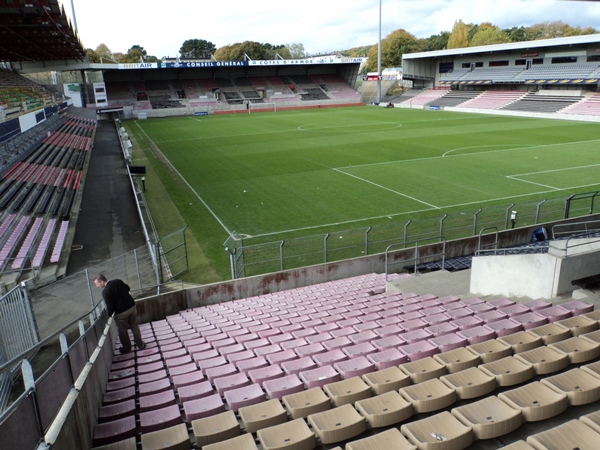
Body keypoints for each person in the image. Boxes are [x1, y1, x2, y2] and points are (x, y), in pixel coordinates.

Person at [94, 274, 146, 353]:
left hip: (121, 313)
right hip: (132, 307)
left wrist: (109, 315)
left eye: (97, 284)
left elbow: (110, 306)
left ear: (101, 282)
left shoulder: (105, 292)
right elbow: (128, 288)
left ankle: (127, 349)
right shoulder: (117, 281)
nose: (97, 286)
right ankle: (141, 345)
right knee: (134, 326)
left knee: (123, 331)